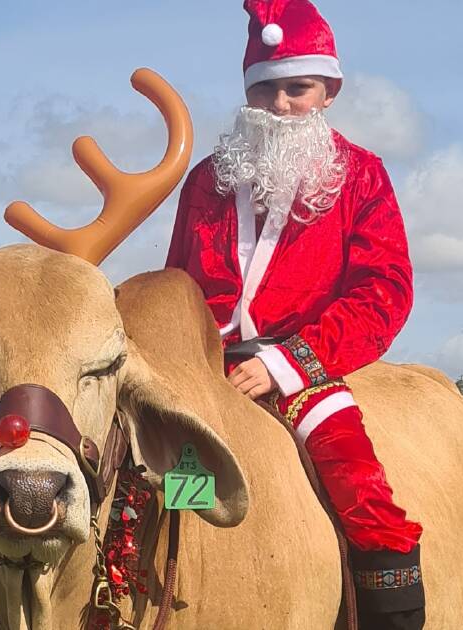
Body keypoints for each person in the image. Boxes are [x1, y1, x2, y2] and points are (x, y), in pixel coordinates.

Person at [165, 1, 425, 627]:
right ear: (247, 92)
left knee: (364, 496)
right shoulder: (208, 181)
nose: (281, 105)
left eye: (297, 88)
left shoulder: (363, 176)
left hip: (306, 367)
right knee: (167, 490)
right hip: (204, 371)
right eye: (266, 90)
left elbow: (384, 290)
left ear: (329, 90)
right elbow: (174, 284)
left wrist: (287, 363)